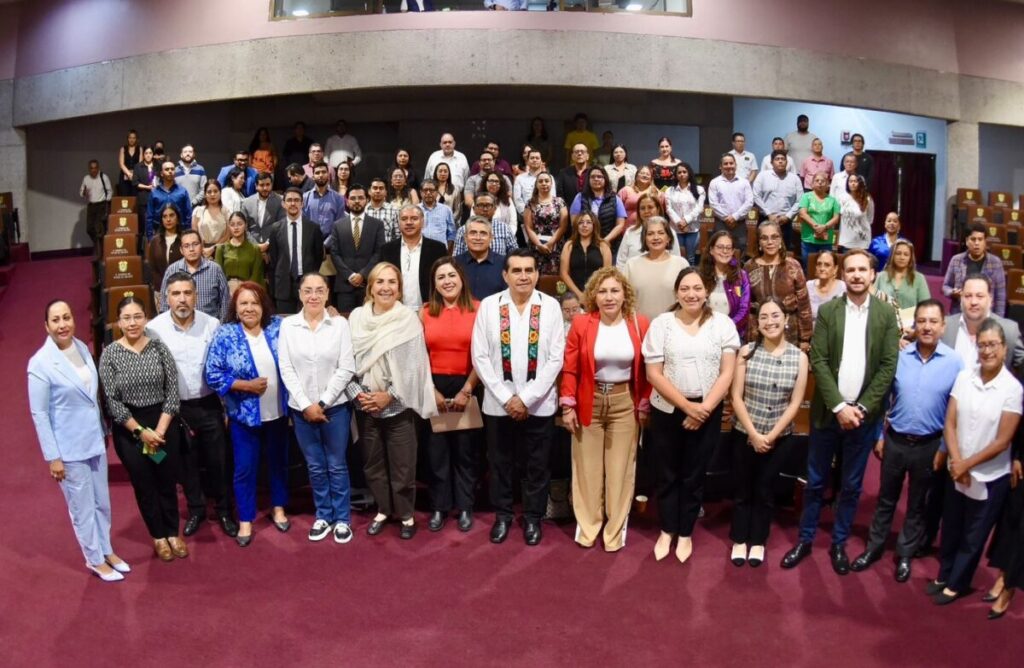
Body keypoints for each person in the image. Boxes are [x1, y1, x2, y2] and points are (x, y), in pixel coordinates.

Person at [781, 250, 899, 574]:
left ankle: (838, 543)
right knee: (816, 482)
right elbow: (818, 359)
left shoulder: (886, 315)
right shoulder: (830, 311)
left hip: (863, 418)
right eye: (851, 270)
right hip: (828, 414)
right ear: (842, 275)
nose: (857, 275)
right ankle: (805, 539)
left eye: (863, 269)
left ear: (873, 275)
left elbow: (889, 366)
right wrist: (839, 406)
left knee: (851, 486)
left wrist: (859, 408)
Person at [850, 300, 961, 582]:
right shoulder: (899, 357)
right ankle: (874, 548)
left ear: (942, 326)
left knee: (916, 504)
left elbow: (955, 412)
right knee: (886, 499)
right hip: (895, 440)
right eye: (921, 321)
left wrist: (946, 449)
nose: (926, 326)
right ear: (915, 325)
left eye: (933, 321)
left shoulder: (955, 363)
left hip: (930, 445)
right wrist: (878, 435)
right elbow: (882, 398)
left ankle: (905, 555)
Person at [643, 267, 740, 563]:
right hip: (668, 410)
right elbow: (654, 374)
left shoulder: (722, 324)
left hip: (707, 409)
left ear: (706, 291)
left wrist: (704, 409)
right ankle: (667, 529)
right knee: (668, 473)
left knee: (694, 474)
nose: (691, 294)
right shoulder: (662, 324)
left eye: (697, 288)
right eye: (685, 289)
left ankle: (685, 532)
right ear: (676, 293)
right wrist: (688, 408)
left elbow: (727, 372)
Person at [28, 300, 130, 581]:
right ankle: (94, 559)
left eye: (67, 318)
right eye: (56, 320)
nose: (63, 325)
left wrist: (102, 431)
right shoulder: (39, 364)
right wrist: (54, 457)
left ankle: (106, 549)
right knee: (82, 507)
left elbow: (92, 399)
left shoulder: (82, 348)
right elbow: (39, 415)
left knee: (102, 502)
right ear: (46, 326)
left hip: (94, 440)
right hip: (69, 450)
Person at [472, 249, 565, 545]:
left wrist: (525, 399)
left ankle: (534, 518)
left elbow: (555, 359)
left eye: (529, 270)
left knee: (537, 464)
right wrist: (506, 397)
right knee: (500, 463)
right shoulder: (489, 306)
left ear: (537, 274)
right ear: (505, 275)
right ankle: (502, 516)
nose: (523, 276)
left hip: (539, 404)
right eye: (517, 271)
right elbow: (480, 356)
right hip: (499, 404)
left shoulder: (550, 306)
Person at [929, 318, 1022, 604]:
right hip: (957, 468)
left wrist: (966, 465)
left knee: (973, 535)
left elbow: (1002, 441)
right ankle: (944, 574)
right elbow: (950, 422)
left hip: (989, 476)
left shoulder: (1013, 389)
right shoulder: (965, 377)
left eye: (993, 344)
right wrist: (956, 461)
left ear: (1004, 349)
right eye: (982, 345)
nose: (987, 351)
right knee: (952, 527)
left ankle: (957, 583)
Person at [561, 267, 650, 551]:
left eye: (614, 290)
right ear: (593, 296)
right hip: (590, 400)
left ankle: (614, 530)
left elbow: (649, 371)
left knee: (620, 470)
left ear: (625, 294)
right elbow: (570, 368)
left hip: (625, 404)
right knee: (587, 469)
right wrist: (567, 405)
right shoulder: (582, 323)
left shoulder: (640, 324)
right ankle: (588, 526)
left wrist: (644, 403)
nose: (609, 297)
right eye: (602, 291)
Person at [347, 262, 437, 539]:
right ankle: (384, 510)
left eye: (392, 283)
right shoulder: (356, 318)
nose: (386, 287)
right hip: (365, 407)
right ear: (370, 287)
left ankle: (406, 515)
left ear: (400, 289)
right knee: (373, 465)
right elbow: (345, 363)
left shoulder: (408, 320)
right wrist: (358, 395)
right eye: (380, 282)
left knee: (403, 465)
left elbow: (415, 368)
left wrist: (389, 396)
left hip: (399, 407)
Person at [148, 273, 237, 538]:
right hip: (176, 409)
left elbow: (224, 367)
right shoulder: (154, 329)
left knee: (219, 460)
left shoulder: (212, 325)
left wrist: (227, 408)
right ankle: (196, 509)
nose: (182, 299)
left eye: (187, 293)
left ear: (196, 296)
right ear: (167, 298)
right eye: (176, 294)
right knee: (185, 463)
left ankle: (223, 510)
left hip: (209, 403)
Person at [98, 297, 186, 562]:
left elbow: (172, 390)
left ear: (145, 318)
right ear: (118, 322)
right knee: (144, 483)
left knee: (166, 481)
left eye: (137, 316)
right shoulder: (110, 354)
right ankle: (158, 536)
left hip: (162, 422)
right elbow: (112, 400)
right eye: (127, 318)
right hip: (131, 430)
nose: (132, 322)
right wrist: (141, 432)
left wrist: (158, 429)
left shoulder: (159, 347)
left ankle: (173, 532)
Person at [204, 282, 290, 546]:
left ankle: (278, 508)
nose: (250, 308)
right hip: (244, 416)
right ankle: (245, 519)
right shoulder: (225, 334)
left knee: (278, 463)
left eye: (254, 302)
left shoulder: (278, 328)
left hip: (278, 413)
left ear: (264, 305)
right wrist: (244, 386)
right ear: (235, 308)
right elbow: (212, 374)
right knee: (244, 468)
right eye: (243, 303)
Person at [728, 298, 809, 567]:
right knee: (742, 488)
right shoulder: (747, 352)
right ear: (757, 323)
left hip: (779, 437)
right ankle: (739, 538)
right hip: (744, 433)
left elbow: (796, 403)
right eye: (764, 317)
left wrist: (770, 436)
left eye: (775, 316)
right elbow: (736, 397)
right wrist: (753, 433)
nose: (770, 321)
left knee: (764, 489)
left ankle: (759, 540)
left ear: (786, 320)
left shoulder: (799, 357)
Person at [278, 272, 357, 544]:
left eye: (319, 290)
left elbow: (347, 367)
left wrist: (322, 403)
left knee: (336, 465)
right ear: (299, 294)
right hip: (301, 410)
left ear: (327, 294)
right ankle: (323, 515)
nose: (313, 296)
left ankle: (343, 518)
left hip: (335, 408)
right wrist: (305, 405)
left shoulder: (339, 325)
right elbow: (286, 369)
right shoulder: (288, 326)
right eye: (308, 290)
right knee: (314, 466)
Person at [421, 259, 480, 533]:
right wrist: (431, 390)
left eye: (451, 275)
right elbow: (419, 356)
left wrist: (467, 389)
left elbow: (484, 355)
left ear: (461, 278)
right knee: (437, 454)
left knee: (465, 453)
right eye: (441, 276)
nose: (447, 281)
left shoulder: (479, 309)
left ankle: (465, 506)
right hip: (434, 387)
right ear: (434, 284)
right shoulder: (424, 313)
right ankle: (439, 507)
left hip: (466, 385)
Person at [743, 221, 813, 349]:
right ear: (759, 242)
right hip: (758, 332)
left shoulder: (793, 265)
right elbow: (745, 303)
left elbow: (804, 305)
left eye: (774, 237)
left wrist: (805, 338)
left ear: (781, 240)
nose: (770, 242)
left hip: (789, 332)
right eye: (764, 238)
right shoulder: (749, 266)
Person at [380, 205, 448, 311]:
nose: (409, 222)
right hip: (394, 310)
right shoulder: (386, 250)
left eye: (414, 218)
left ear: (422, 221)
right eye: (404, 219)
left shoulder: (438, 249)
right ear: (398, 223)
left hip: (429, 310)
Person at [268, 187, 324, 314]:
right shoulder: (275, 228)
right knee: (285, 323)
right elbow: (274, 258)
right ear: (283, 204)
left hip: (307, 283)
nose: (293, 203)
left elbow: (318, 256)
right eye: (289, 200)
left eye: (296, 200)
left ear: (302, 203)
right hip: (283, 284)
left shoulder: (313, 228)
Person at [330, 184, 385, 312]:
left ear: (366, 200)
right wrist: (349, 275)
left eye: (360, 198)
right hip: (344, 285)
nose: (356, 201)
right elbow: (334, 253)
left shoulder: (377, 225)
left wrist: (362, 274)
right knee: (345, 322)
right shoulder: (337, 225)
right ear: (347, 201)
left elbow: (379, 252)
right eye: (353, 198)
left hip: (368, 284)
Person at [623, 216, 690, 322]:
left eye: (661, 233)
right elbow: (625, 299)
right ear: (644, 238)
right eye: (650, 234)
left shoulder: (681, 264)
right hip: (639, 327)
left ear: (668, 238)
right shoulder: (631, 265)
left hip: (673, 327)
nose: (656, 237)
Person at [159, 229, 230, 321]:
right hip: (179, 328)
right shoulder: (172, 270)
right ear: (181, 250)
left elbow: (225, 303)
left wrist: (220, 328)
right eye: (186, 246)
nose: (191, 249)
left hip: (209, 328)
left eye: (195, 244)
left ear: (202, 246)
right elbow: (164, 304)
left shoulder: (215, 269)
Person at [943, 223, 1007, 317]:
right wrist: (952, 292)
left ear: (985, 242)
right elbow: (945, 286)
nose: (976, 243)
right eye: (973, 239)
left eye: (980, 239)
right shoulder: (956, 260)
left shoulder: (995, 263)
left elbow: (1000, 296)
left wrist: (998, 320)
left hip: (986, 316)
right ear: (966, 241)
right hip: (959, 313)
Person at [699, 230, 751, 337]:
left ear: (732, 252)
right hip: (704, 332)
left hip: (732, 332)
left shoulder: (741, 276)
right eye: (720, 247)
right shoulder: (700, 276)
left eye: (728, 248)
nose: (725, 251)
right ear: (711, 250)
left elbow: (744, 308)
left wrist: (728, 328)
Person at [752, 150, 803, 251]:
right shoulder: (762, 176)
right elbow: (756, 196)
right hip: (765, 219)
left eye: (783, 159)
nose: (780, 161)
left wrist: (788, 216)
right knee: (764, 250)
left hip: (785, 222)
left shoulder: (794, 179)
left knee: (784, 251)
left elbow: (800, 200)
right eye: (777, 159)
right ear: (771, 163)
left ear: (787, 162)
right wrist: (769, 214)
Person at [616, 193, 682, 270]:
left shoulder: (669, 232)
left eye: (650, 207)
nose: (646, 211)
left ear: (658, 209)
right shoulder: (630, 232)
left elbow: (676, 261)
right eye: (642, 208)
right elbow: (621, 262)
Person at [523, 171, 568, 276]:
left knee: (554, 279)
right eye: (541, 181)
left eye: (547, 181)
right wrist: (539, 245)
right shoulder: (530, 203)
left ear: (551, 184)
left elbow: (563, 226)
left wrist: (550, 243)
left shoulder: (560, 202)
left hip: (556, 245)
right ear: (536, 185)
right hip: (536, 246)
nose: (544, 183)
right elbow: (528, 227)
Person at [560, 211, 612, 302]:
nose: (584, 225)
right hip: (574, 295)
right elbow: (564, 273)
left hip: (598, 295)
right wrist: (579, 295)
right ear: (576, 225)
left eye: (588, 222)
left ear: (594, 225)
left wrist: (593, 294)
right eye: (581, 222)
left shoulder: (603, 246)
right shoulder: (569, 245)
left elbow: (606, 274)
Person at [708, 153, 754, 251]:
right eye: (726, 164)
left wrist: (735, 217)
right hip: (721, 224)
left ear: (735, 165)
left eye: (731, 163)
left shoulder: (744, 182)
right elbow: (713, 204)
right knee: (721, 250)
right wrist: (727, 218)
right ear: (720, 166)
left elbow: (749, 202)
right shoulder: (714, 182)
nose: (729, 166)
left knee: (740, 251)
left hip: (740, 224)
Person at [874, 239, 931, 318]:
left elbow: (926, 306)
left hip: (910, 325)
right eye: (898, 253)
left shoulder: (919, 278)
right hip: (884, 323)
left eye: (906, 254)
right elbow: (873, 303)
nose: (902, 257)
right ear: (892, 255)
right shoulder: (881, 276)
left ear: (911, 257)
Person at [796, 172, 841, 270]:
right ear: (812, 184)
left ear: (828, 185)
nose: (820, 183)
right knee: (809, 268)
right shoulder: (806, 197)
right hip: (808, 239)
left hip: (826, 241)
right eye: (817, 181)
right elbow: (802, 213)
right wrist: (816, 226)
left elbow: (836, 218)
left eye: (823, 181)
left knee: (825, 269)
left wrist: (824, 227)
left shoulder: (833, 200)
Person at [664, 162, 705, 266]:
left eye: (684, 172)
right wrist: (679, 222)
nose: (682, 174)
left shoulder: (699, 189)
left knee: (690, 258)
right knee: (676, 258)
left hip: (692, 229)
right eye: (679, 172)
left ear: (689, 173)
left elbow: (699, 208)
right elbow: (668, 209)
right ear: (676, 175)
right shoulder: (670, 190)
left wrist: (686, 221)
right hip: (676, 229)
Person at [455, 217, 506, 300]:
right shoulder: (454, 264)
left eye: (483, 233)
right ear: (465, 238)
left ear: (491, 238)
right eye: (473, 233)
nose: (478, 238)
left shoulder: (504, 264)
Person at [451, 194, 519, 257]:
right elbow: (457, 256)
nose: (485, 209)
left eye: (488, 205)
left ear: (495, 209)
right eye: (481, 205)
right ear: (474, 209)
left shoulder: (505, 229)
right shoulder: (463, 230)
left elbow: (514, 254)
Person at [215, 212, 265, 292]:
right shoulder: (221, 249)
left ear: (245, 225)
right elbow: (218, 275)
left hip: (248, 289)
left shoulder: (254, 249)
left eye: (239, 224)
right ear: (229, 227)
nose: (236, 227)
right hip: (226, 290)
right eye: (232, 224)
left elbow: (256, 275)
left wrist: (248, 291)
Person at [149, 162, 193, 242]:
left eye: (172, 169)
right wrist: (150, 238)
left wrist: (188, 234)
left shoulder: (182, 191)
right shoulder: (154, 193)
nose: (170, 171)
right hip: (159, 232)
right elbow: (149, 216)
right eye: (167, 169)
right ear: (162, 173)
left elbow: (188, 214)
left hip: (180, 233)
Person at [146, 203, 184, 295]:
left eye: (171, 215)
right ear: (161, 220)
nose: (168, 219)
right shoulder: (155, 241)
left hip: (182, 289)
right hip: (160, 290)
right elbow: (152, 268)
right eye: (164, 216)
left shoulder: (185, 239)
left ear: (178, 218)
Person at [304, 162, 347, 239]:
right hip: (310, 241)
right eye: (317, 173)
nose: (321, 175)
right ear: (313, 177)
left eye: (324, 172)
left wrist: (327, 243)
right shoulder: (304, 198)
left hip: (332, 243)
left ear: (328, 175)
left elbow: (340, 224)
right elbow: (303, 222)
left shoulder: (338, 198)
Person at [240, 172, 283, 248]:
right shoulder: (246, 203)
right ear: (256, 186)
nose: (265, 188)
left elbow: (281, 226)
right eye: (262, 185)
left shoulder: (280, 201)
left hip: (273, 247)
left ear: (271, 185)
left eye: (267, 185)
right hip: (251, 247)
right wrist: (257, 246)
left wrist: (267, 244)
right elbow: (243, 228)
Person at [618, 165, 663, 232]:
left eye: (648, 174)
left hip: (650, 230)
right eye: (642, 173)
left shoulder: (657, 193)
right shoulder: (625, 190)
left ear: (651, 178)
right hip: (627, 231)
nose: (644, 175)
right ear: (636, 176)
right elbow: (617, 211)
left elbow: (661, 213)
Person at [192, 179, 229, 257]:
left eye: (215, 191)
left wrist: (213, 248)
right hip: (202, 251)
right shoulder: (198, 211)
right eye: (209, 192)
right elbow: (194, 233)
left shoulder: (226, 211)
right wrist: (202, 249)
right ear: (205, 194)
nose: (212, 194)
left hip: (221, 251)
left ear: (220, 193)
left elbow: (228, 234)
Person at [805, 249, 846, 320]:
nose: (822, 268)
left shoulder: (843, 287)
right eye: (819, 264)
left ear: (835, 269)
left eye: (827, 265)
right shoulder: (808, 286)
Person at [837, 174, 874, 252]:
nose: (853, 183)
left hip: (862, 240)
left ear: (860, 183)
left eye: (855, 181)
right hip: (846, 241)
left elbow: (870, 218)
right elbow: (839, 218)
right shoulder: (842, 198)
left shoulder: (867, 198)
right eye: (850, 181)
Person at [80, 159, 112, 247]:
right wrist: (84, 193)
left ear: (98, 168)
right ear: (89, 169)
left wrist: (107, 202)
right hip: (91, 206)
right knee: (89, 229)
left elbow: (110, 191)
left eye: (95, 168)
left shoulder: (103, 177)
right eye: (91, 168)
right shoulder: (86, 178)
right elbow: (81, 191)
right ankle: (99, 245)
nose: (93, 170)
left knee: (99, 229)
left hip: (101, 205)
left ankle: (100, 251)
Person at [418, 179, 456, 250]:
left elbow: (451, 233)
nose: (428, 193)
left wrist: (447, 250)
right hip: (419, 250)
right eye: (425, 190)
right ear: (420, 192)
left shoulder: (446, 210)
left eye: (431, 190)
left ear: (437, 192)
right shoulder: (415, 210)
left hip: (441, 250)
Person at [480, 170, 517, 236]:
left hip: (505, 236)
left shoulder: (508, 200)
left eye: (496, 181)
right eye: (491, 181)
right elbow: (473, 220)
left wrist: (508, 236)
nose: (494, 184)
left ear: (501, 184)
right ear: (485, 183)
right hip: (483, 237)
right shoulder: (478, 199)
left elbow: (513, 222)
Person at [366, 177, 400, 243]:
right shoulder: (363, 210)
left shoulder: (394, 210)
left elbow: (398, 234)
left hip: (387, 250)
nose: (378, 191)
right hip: (367, 251)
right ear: (369, 191)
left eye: (381, 188)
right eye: (375, 188)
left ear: (386, 192)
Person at [174, 144, 208, 209]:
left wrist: (193, 202)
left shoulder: (200, 169)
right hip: (178, 207)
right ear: (181, 155)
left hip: (196, 208)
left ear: (194, 154)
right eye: (185, 152)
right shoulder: (175, 170)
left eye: (190, 152)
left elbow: (204, 189)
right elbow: (172, 189)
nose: (188, 154)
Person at [132, 146, 156, 218]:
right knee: (144, 221)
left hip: (156, 197)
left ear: (153, 154)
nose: (148, 155)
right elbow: (135, 183)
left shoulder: (157, 165)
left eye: (150, 153)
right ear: (143, 155)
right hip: (143, 198)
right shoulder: (138, 166)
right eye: (146, 153)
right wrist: (147, 187)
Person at [118, 129, 141, 196]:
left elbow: (139, 164)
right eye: (130, 137)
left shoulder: (140, 148)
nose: (132, 140)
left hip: (136, 176)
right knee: (124, 197)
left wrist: (133, 175)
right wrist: (129, 174)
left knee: (135, 197)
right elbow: (121, 164)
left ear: (136, 139)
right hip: (124, 176)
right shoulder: (123, 148)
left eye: (134, 138)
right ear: (127, 138)